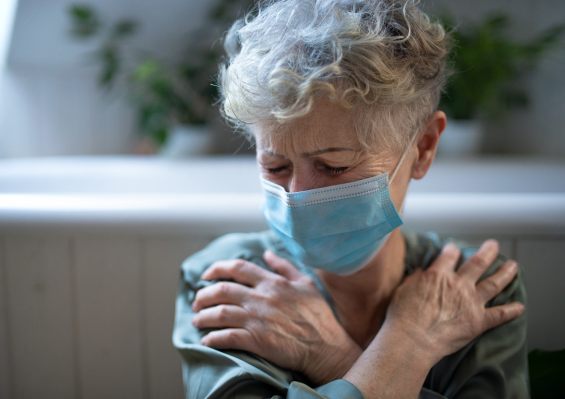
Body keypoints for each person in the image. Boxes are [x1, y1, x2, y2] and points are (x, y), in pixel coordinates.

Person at [173, 0, 528, 397]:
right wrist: (407, 347)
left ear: (423, 148)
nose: (296, 198)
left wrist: (336, 357)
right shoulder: (229, 283)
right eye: (275, 167)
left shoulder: (474, 288)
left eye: (334, 167)